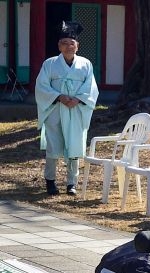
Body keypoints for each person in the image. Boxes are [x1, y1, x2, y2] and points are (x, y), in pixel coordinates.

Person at [35, 21, 99, 197]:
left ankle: (72, 183)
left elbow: (91, 87)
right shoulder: (49, 64)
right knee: (53, 146)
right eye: (64, 43)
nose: (68, 46)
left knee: (74, 146)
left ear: (77, 46)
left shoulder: (86, 64)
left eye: (72, 43)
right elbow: (41, 86)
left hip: (76, 110)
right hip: (56, 108)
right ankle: (50, 181)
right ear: (59, 46)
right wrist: (59, 97)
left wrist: (78, 99)